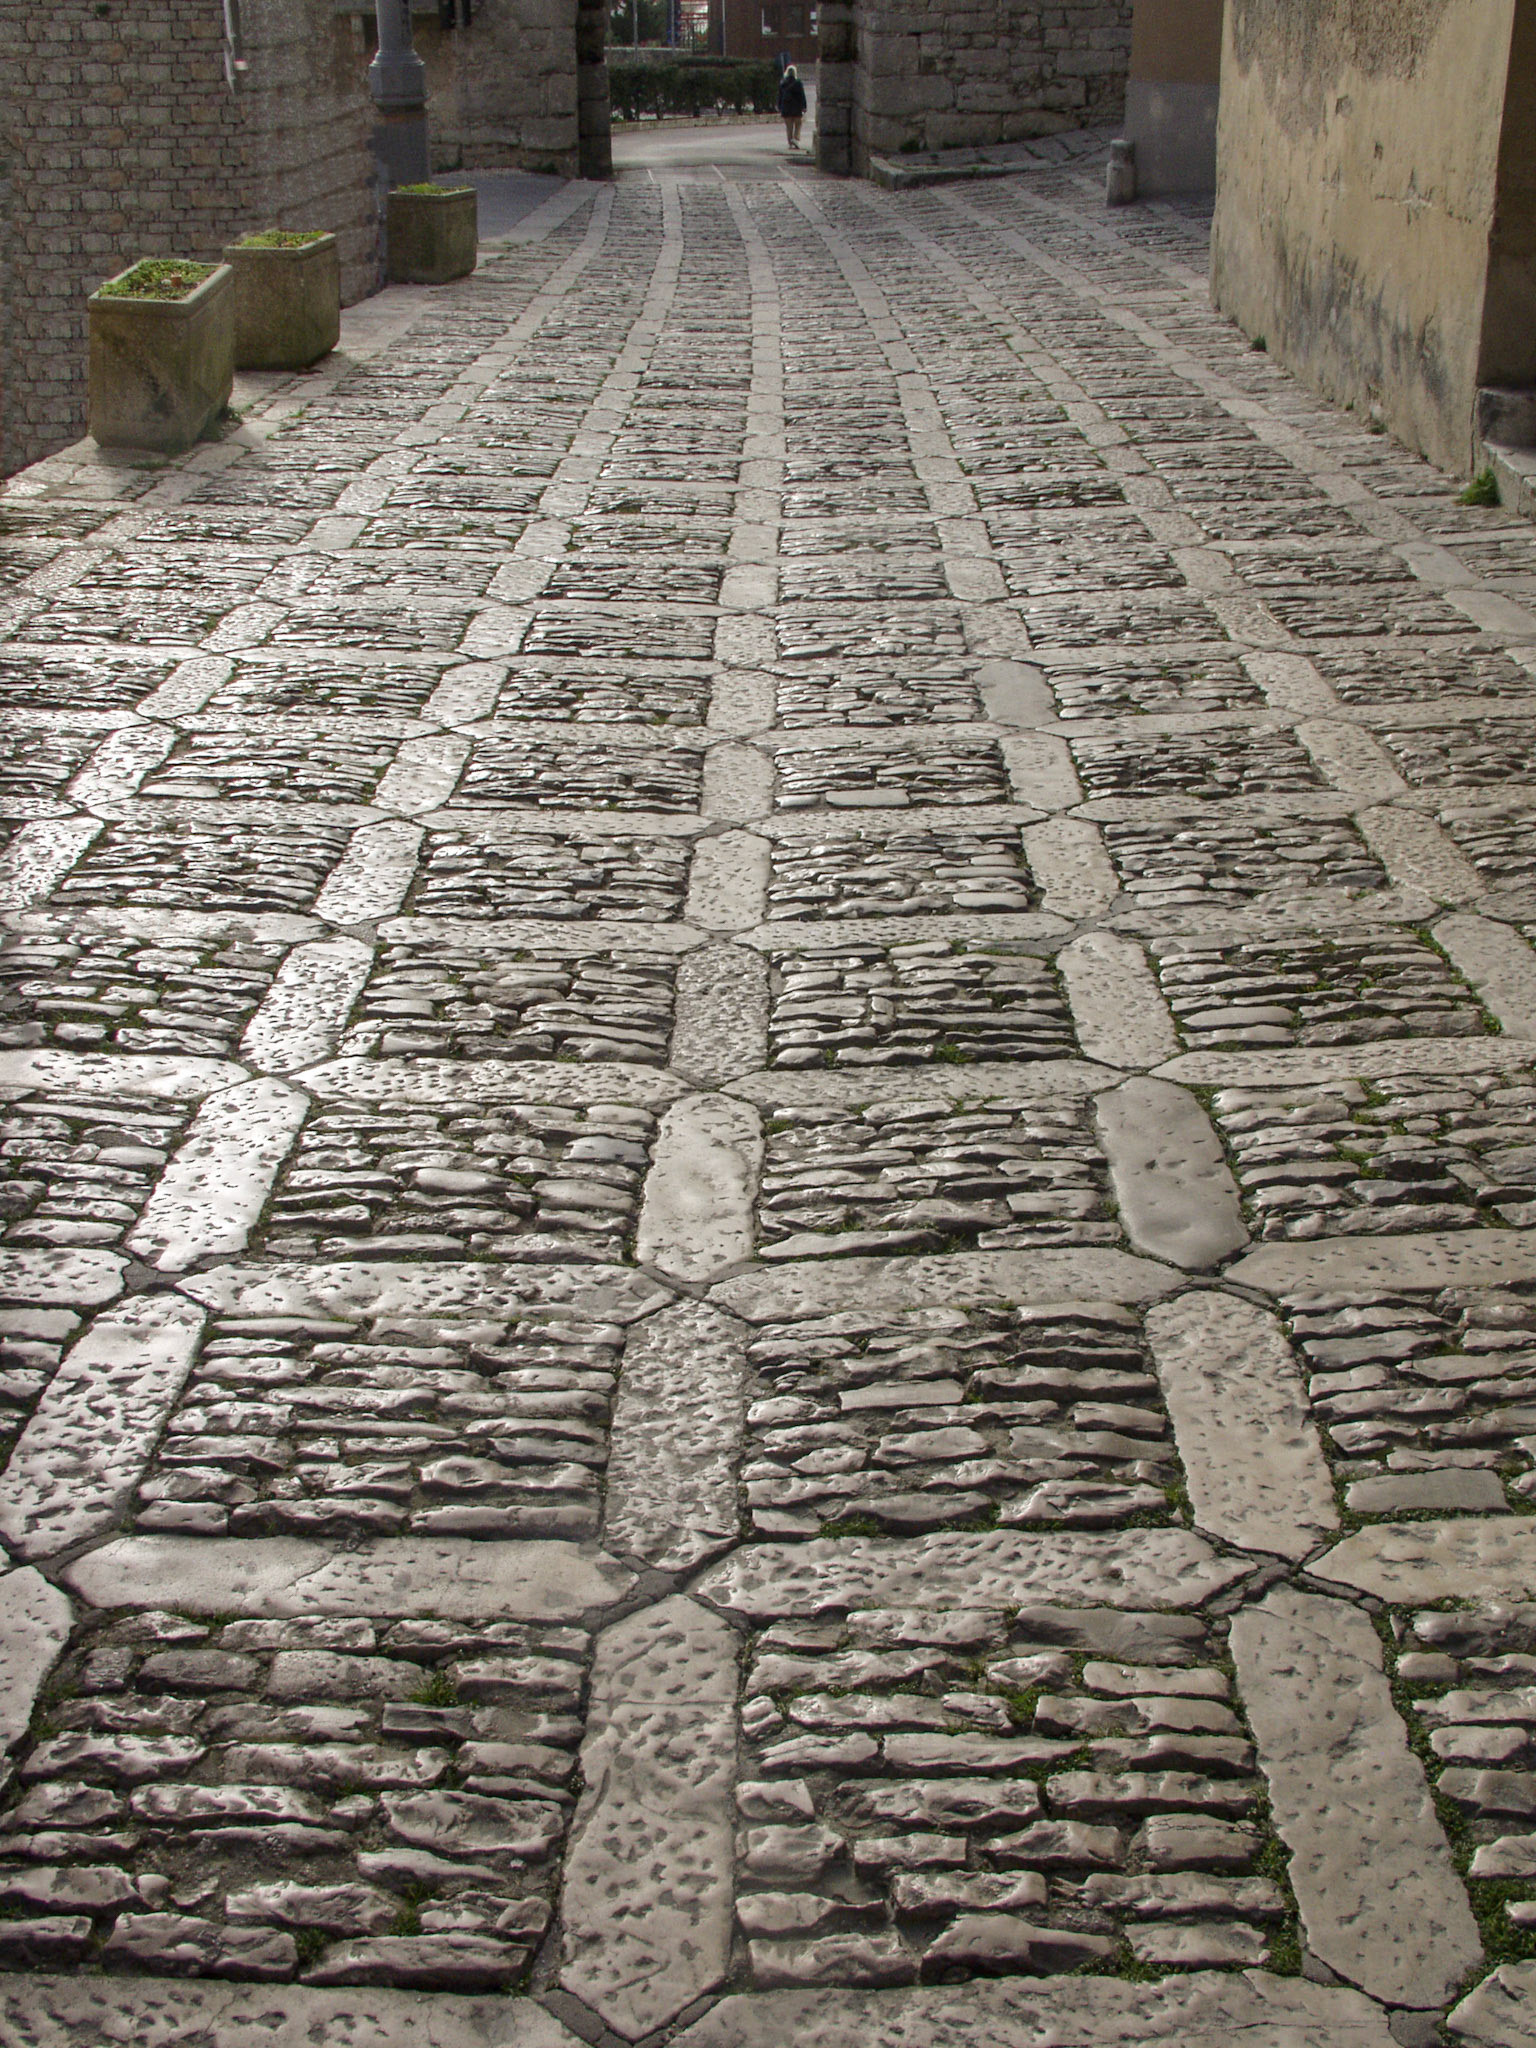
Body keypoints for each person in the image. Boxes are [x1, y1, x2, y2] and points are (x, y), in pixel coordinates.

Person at [778, 63, 807, 151]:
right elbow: (802, 96)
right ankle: (796, 138)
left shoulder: (783, 83)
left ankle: (790, 142)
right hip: (796, 108)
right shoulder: (798, 83)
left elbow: (779, 96)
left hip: (786, 108)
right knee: (798, 124)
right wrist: (804, 106)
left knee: (789, 127)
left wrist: (779, 107)